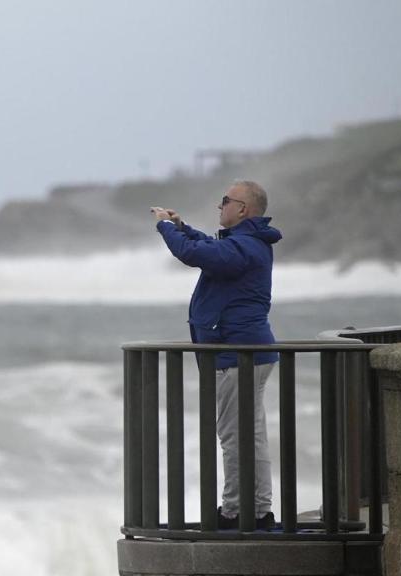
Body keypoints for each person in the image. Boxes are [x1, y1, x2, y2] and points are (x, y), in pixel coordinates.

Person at [150, 180, 281, 531]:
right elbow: (206, 246)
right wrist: (182, 227)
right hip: (245, 351)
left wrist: (165, 227)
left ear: (243, 209)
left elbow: (195, 254)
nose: (219, 206)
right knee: (249, 435)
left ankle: (236, 513)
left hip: (237, 352)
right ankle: (258, 511)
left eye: (225, 201)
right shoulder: (246, 245)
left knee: (235, 436)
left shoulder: (245, 248)